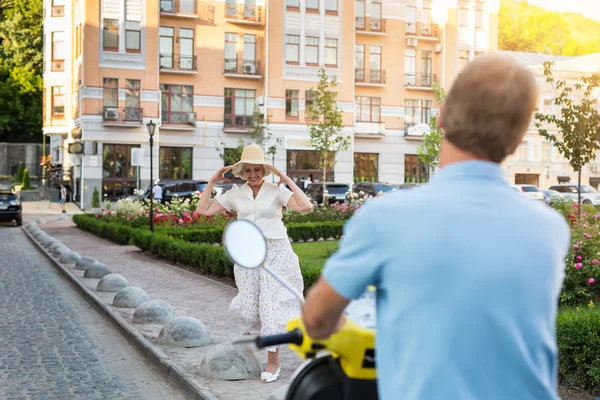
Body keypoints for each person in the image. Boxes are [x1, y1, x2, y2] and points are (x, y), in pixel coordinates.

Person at [301, 54, 571, 400]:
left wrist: (336, 326)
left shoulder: (385, 218)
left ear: (441, 115)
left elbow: (317, 318)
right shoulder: (550, 227)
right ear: (517, 141)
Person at [195, 143, 313, 383]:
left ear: (265, 170)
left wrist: (287, 179)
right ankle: (280, 327)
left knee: (270, 305)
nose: (253, 174)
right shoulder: (236, 193)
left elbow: (306, 206)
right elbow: (203, 210)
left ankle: (273, 362)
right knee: (251, 307)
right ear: (242, 173)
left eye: (257, 169)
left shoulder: (276, 191)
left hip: (277, 251)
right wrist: (212, 182)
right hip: (248, 253)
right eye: (248, 170)